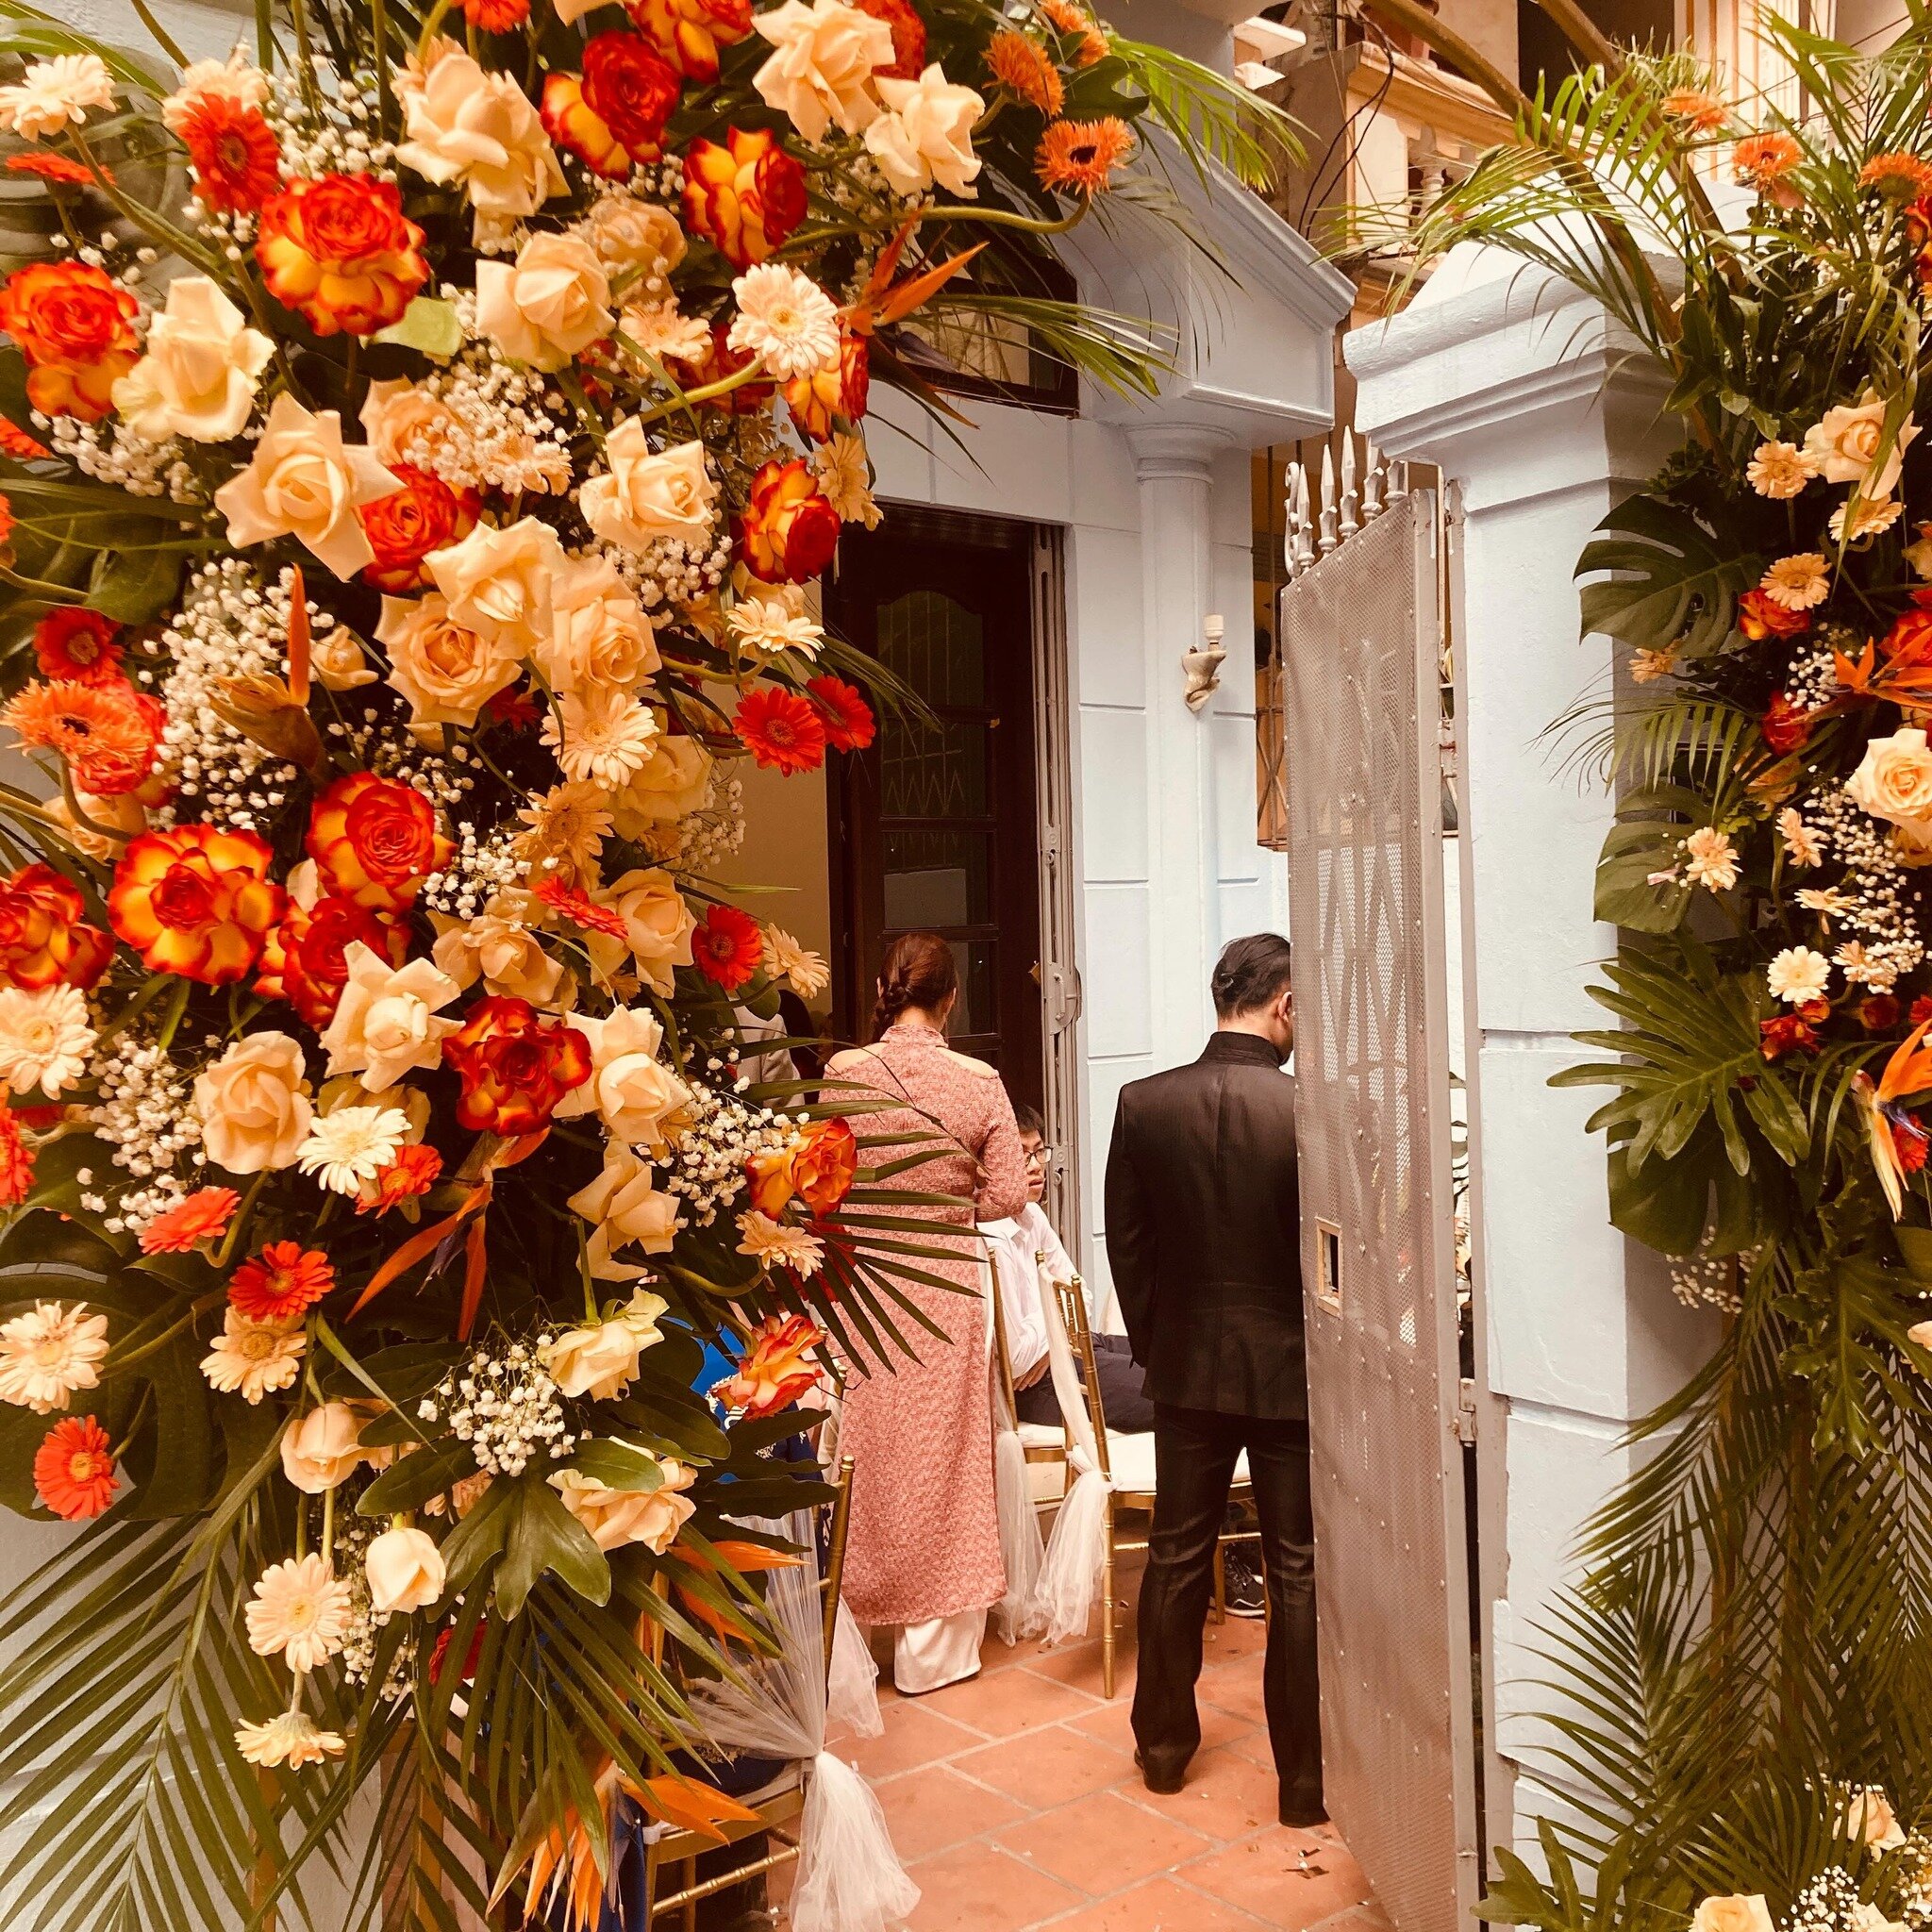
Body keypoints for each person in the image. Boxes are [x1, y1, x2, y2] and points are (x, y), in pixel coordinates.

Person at [1104, 932, 1323, 1826]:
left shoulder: (1144, 1103)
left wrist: (1160, 1344)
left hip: (1188, 1363)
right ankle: (1303, 1783)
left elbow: (1129, 1245)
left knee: (1176, 1555)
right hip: (1288, 1366)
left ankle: (1162, 1751)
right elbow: (1329, 1254)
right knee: (1297, 1569)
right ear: (1281, 1006)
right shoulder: (1307, 1110)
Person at [826, 932, 1027, 1695]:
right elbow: (1009, 1194)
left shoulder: (844, 1071)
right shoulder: (979, 1079)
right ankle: (932, 1653)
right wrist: (947, 1207)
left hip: (868, 1279)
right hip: (943, 1279)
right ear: (950, 998)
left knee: (867, 1450)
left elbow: (824, 1172)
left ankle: (854, 1623)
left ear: (886, 986)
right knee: (945, 1456)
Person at [981, 1104, 1154, 1433]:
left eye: (1038, 1152)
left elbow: (1081, 1297)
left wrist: (1049, 1334)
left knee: (1173, 1353)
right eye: (1022, 1156)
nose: (1036, 1167)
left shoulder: (1032, 1215)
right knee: (1171, 1389)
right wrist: (1057, 1323)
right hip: (1036, 1386)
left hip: (1069, 1349)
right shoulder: (993, 1239)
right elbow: (1017, 1360)